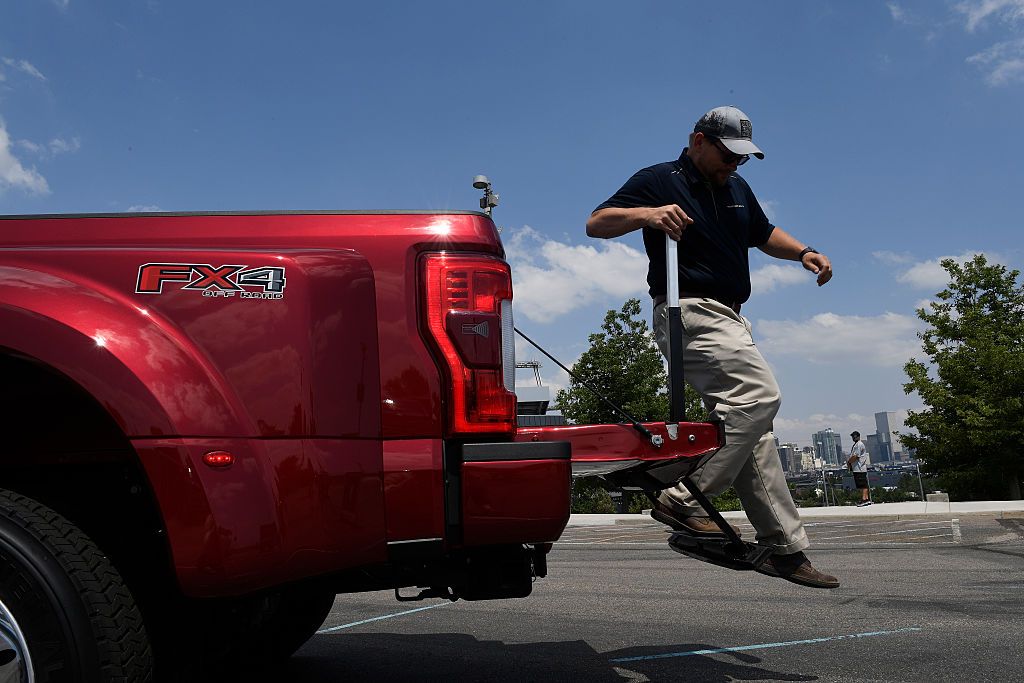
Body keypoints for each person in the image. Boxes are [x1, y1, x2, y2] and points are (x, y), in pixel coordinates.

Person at [587, 105, 839, 589]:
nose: (734, 166)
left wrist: (805, 251)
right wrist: (648, 214)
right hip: (689, 309)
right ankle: (683, 497)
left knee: (753, 430)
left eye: (742, 159)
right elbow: (596, 222)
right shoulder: (660, 179)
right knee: (760, 396)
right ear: (698, 140)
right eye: (727, 156)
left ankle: (782, 549)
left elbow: (762, 234)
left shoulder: (736, 187)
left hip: (732, 316)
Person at [847, 431, 871, 506]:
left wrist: (849, 462)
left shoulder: (859, 444)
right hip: (857, 468)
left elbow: (855, 456)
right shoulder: (856, 444)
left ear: (858, 436)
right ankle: (866, 499)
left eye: (854, 436)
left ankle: (864, 500)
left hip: (859, 468)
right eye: (852, 436)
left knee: (862, 484)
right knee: (862, 484)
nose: (853, 438)